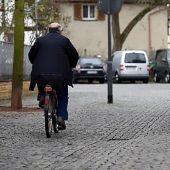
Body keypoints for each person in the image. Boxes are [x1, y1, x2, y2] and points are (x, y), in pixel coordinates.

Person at [28, 22, 79, 130]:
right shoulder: (64, 40)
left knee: (42, 81)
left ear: (48, 30)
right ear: (59, 31)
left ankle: (42, 96)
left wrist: (36, 64)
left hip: (41, 73)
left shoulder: (40, 40)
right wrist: (71, 65)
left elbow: (31, 55)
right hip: (60, 75)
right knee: (62, 95)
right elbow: (74, 55)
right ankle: (61, 117)